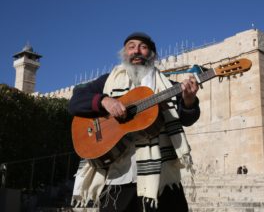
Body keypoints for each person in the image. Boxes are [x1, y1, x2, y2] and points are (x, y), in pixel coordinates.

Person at [68, 32, 200, 212]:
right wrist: (104, 101)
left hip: (161, 179)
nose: (136, 51)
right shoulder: (108, 81)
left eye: (143, 47)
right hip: (119, 178)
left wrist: (189, 101)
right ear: (124, 53)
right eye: (131, 47)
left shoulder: (167, 86)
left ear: (152, 55)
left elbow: (186, 119)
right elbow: (76, 101)